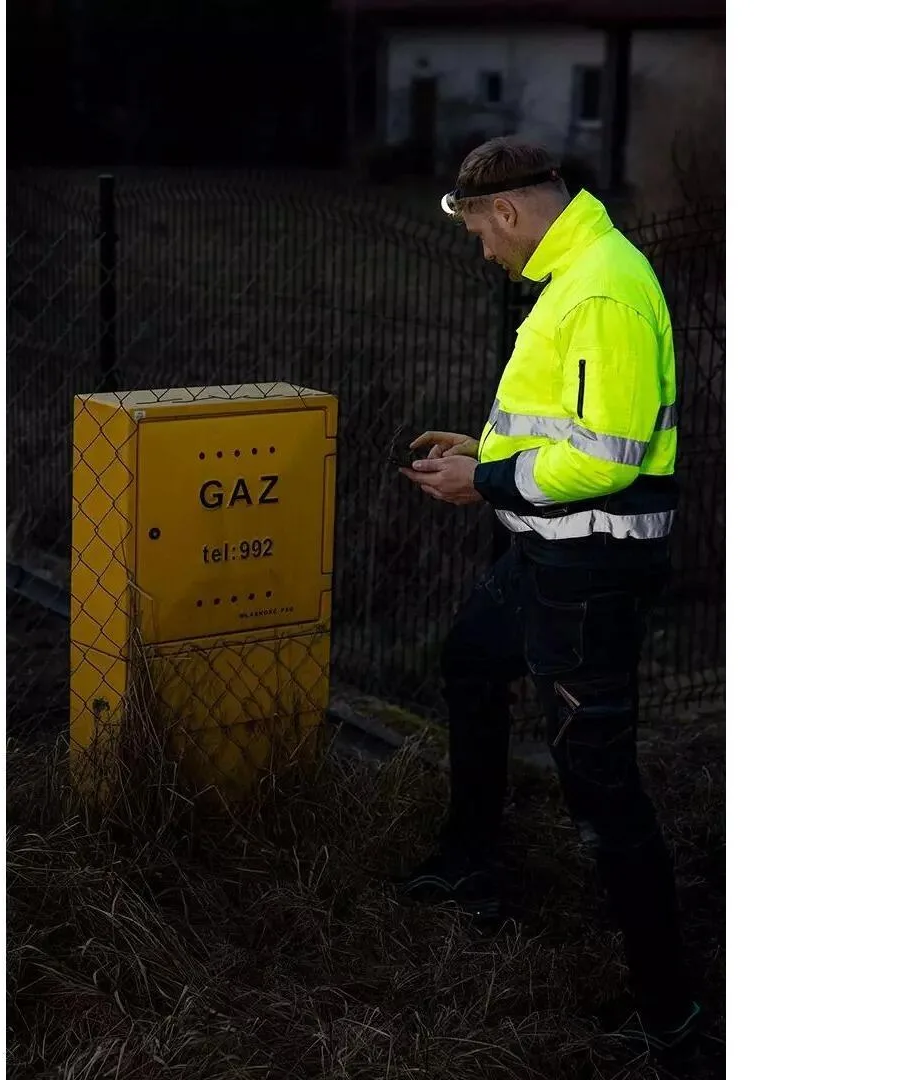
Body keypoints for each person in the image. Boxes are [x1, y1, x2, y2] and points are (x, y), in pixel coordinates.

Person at [395, 136, 700, 1059]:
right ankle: (471, 864)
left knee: (600, 783)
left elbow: (605, 459)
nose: (485, 250)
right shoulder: (577, 273)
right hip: (548, 551)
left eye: (483, 232)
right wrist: (484, 454)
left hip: (588, 569)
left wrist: (485, 482)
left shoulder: (601, 288)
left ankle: (672, 1020)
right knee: (470, 661)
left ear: (509, 212)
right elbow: (568, 426)